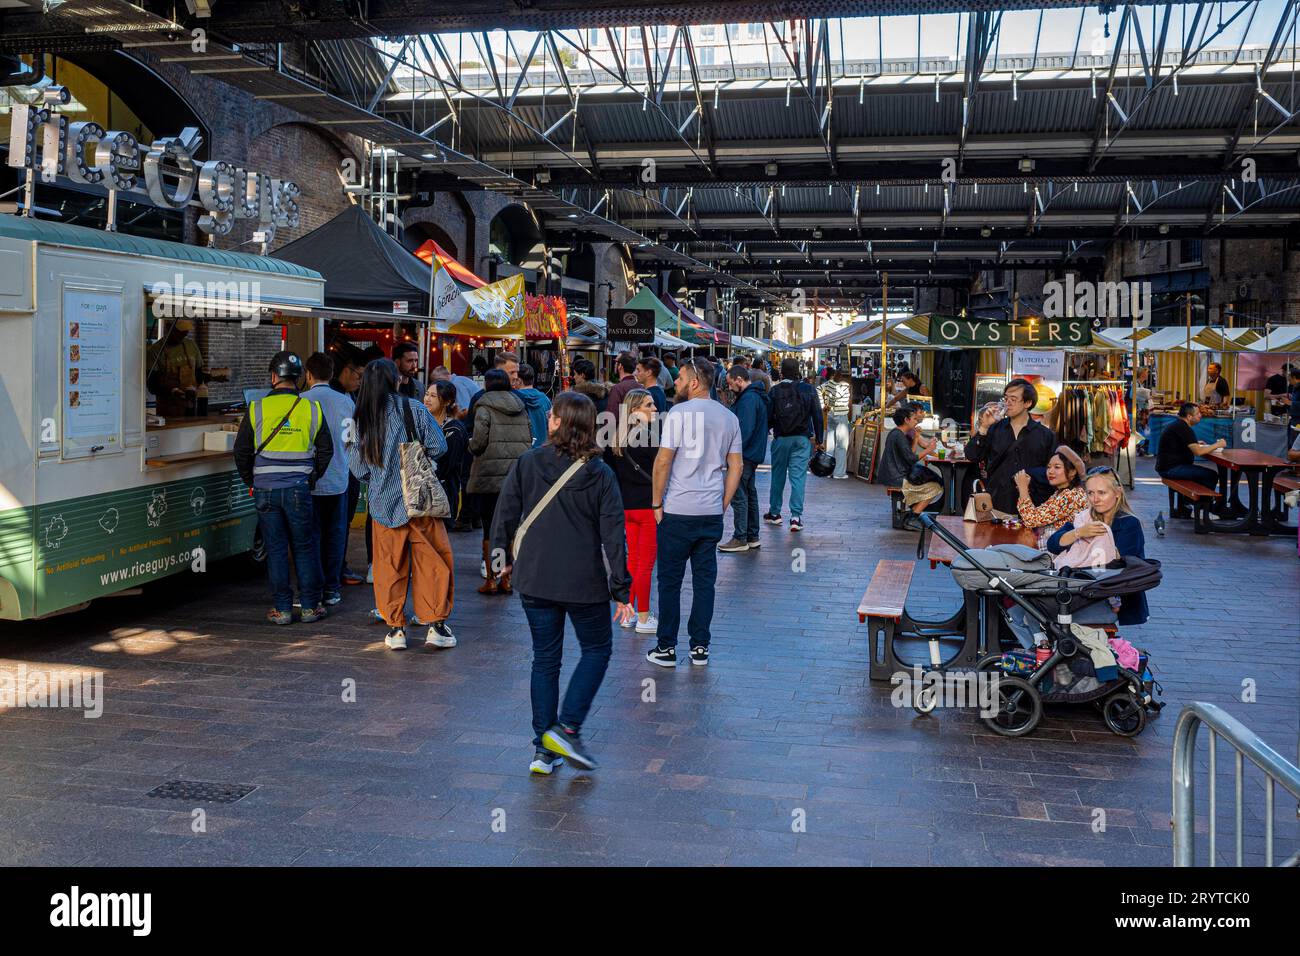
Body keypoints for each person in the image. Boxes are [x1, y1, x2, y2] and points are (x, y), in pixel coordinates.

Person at [490, 392, 633, 773]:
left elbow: (504, 513)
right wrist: (622, 589)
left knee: (545, 659)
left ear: (555, 422)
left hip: (534, 578)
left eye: (552, 415)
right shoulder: (600, 473)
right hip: (582, 581)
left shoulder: (527, 462)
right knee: (597, 649)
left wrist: (500, 561)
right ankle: (567, 726)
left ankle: (543, 748)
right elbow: (613, 536)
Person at [348, 359, 455, 651]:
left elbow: (358, 469)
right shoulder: (414, 408)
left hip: (383, 503)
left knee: (388, 566)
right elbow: (439, 447)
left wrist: (381, 477)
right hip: (419, 498)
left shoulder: (359, 419)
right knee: (433, 560)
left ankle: (396, 629)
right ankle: (435, 625)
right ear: (395, 381)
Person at [646, 357, 742, 668]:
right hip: (710, 511)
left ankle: (666, 647)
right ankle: (700, 646)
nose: (675, 381)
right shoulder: (729, 418)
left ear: (695, 382)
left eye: (681, 378)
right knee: (704, 581)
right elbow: (736, 466)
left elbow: (663, 461)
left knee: (670, 582)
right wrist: (723, 502)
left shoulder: (678, 413)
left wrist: (657, 503)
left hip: (677, 509)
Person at [232, 351, 333, 625]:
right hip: (299, 490)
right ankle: (311, 608)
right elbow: (326, 450)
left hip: (265, 490)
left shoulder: (256, 408)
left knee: (276, 549)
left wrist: (251, 481)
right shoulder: (311, 409)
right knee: (304, 547)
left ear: (274, 377)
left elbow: (241, 451)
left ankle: (283, 610)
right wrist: (311, 478)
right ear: (299, 379)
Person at [1047, 468, 1149, 626]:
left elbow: (1122, 564)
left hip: (1111, 597)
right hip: (1082, 590)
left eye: (1102, 493)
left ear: (1117, 493)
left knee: (1045, 614)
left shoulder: (1129, 523)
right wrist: (1078, 533)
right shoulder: (1083, 518)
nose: (1095, 499)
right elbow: (1053, 544)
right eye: (1090, 493)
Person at [467, 368, 533, 594]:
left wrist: (469, 445)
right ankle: (507, 578)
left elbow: (478, 443)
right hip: (515, 476)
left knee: (489, 530)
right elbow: (528, 436)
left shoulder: (484, 407)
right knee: (509, 528)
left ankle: (492, 580)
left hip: (489, 476)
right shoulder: (521, 406)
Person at [604, 389, 661, 633]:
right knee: (645, 565)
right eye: (649, 405)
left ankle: (628, 613)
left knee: (633, 562)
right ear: (635, 410)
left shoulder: (615, 438)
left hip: (625, 507)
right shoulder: (650, 439)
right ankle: (645, 618)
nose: (655, 409)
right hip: (648, 507)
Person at [303, 352, 355, 607]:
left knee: (311, 536)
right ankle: (332, 588)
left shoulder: (300, 401)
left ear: (308, 375)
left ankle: (312, 587)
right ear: (332, 374)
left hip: (309, 480)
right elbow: (355, 440)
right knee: (335, 534)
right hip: (339, 478)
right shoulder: (346, 402)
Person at [967, 377, 1056, 515]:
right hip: (997, 503)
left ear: (1027, 403)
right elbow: (972, 456)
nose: (1007, 403)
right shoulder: (994, 429)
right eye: (1006, 399)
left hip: (1032, 506)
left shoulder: (1045, 435)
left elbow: (1051, 472)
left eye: (1013, 400)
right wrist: (984, 427)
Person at [764, 357, 824, 532]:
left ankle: (775, 513)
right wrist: (819, 439)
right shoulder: (809, 389)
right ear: (798, 371)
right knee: (798, 477)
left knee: (778, 476)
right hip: (802, 439)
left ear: (781, 372)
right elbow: (817, 415)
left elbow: (768, 418)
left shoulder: (774, 391)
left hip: (781, 438)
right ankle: (796, 517)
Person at [719, 364, 769, 552]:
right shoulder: (755, 396)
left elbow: (744, 429)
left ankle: (740, 537)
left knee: (739, 495)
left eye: (731, 384)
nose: (730, 388)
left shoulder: (748, 399)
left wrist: (731, 450)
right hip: (752, 453)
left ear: (740, 380)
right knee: (749, 493)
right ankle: (751, 535)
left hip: (745, 454)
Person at [876, 404, 942, 530]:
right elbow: (912, 459)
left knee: (929, 480)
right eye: (914, 419)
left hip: (896, 473)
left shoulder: (898, 433)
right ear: (906, 420)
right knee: (935, 486)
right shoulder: (898, 436)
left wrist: (916, 437)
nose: (916, 421)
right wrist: (928, 450)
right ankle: (913, 517)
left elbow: (909, 456)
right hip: (896, 477)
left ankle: (914, 513)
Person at [146, 319, 228, 418]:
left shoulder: (191, 346)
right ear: (168, 327)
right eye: (180, 332)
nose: (183, 335)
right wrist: (173, 391)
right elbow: (152, 385)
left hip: (191, 407)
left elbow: (198, 376)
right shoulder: (155, 351)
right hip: (168, 412)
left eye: (185, 332)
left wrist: (212, 378)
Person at [1013, 445, 1089, 547]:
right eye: (1049, 467)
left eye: (1057, 467)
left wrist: (1023, 489)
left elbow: (1031, 520)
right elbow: (1037, 514)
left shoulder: (1071, 496)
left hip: (1057, 555)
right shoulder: (1060, 493)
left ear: (1072, 472)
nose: (1050, 471)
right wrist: (1024, 490)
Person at [1155, 401, 1225, 497]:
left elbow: (1184, 443)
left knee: (1203, 474)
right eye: (1197, 414)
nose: (1200, 415)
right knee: (1211, 475)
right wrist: (1218, 444)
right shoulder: (1183, 428)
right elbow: (1198, 452)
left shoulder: (1179, 425)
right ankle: (1201, 503)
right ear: (1189, 417)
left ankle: (1191, 501)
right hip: (1170, 469)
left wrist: (1195, 443)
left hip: (1168, 467)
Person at [426, 380, 468, 531]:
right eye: (426, 394)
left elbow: (445, 467)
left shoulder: (453, 431)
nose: (427, 399)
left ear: (447, 401)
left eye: (433, 396)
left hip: (443, 497)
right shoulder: (425, 426)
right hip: (422, 499)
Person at [818, 370, 853, 479]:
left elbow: (818, 390)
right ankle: (839, 473)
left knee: (830, 443)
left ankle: (828, 470)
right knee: (841, 445)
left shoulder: (829, 383)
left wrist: (823, 404)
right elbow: (847, 401)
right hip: (841, 414)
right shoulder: (846, 385)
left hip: (830, 414)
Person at [514, 362, 552, 447]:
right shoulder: (545, 399)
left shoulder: (515, 399)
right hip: (543, 449)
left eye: (515, 379)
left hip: (524, 450)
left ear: (519, 380)